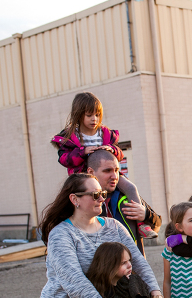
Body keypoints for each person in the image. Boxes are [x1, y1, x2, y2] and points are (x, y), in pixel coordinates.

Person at [52, 92, 157, 239]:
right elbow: (64, 159)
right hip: (83, 178)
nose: (94, 119)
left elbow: (118, 153)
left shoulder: (105, 133)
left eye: (97, 115)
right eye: (89, 115)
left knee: (131, 187)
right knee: (90, 203)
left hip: (103, 178)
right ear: (79, 115)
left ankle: (141, 225)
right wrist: (82, 152)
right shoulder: (71, 137)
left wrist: (112, 149)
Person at [86, 150, 161, 256]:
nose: (115, 176)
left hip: (133, 270)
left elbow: (157, 226)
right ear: (91, 172)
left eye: (116, 170)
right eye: (107, 171)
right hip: (100, 270)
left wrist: (146, 215)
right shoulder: (81, 203)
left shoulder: (128, 196)